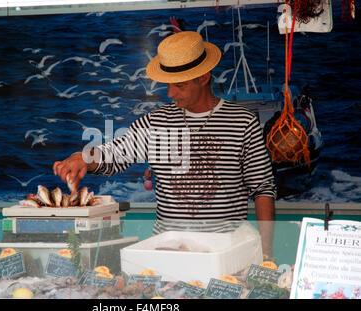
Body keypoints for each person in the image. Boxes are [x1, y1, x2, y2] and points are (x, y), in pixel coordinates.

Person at [53, 31, 276, 258]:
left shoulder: (242, 121)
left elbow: (263, 189)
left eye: (179, 85)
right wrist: (84, 158)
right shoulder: (156, 122)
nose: (170, 93)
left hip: (226, 252)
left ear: (204, 77)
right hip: (167, 251)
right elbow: (115, 153)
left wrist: (266, 252)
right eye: (167, 85)